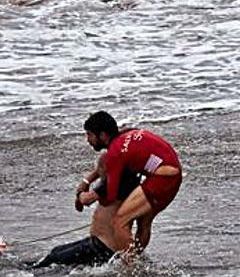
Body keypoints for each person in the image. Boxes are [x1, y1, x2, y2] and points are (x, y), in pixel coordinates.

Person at [78, 111, 182, 258]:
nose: (87, 139)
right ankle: (137, 260)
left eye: (89, 135)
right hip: (173, 174)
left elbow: (111, 195)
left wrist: (91, 196)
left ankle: (130, 266)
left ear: (102, 135)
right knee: (143, 222)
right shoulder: (125, 135)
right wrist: (88, 180)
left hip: (162, 179)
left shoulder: (115, 151)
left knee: (120, 221)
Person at [31, 153, 140, 268]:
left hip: (102, 247)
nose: (98, 174)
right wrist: (89, 180)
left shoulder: (113, 185)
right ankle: (28, 268)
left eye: (99, 171)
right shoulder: (125, 180)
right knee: (55, 252)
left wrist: (82, 187)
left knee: (54, 259)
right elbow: (79, 206)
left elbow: (84, 200)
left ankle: (24, 272)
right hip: (97, 243)